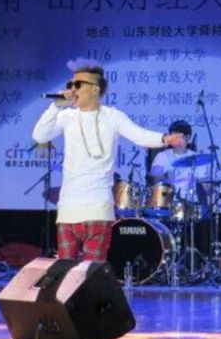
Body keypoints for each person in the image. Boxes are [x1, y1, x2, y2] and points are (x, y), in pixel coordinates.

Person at [32, 59, 185, 261]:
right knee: (66, 270)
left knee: (92, 271)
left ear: (95, 89)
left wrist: (165, 139)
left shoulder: (112, 116)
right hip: (68, 208)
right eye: (70, 84)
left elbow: (139, 135)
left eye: (78, 84)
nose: (72, 89)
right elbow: (40, 135)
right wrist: (55, 107)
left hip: (98, 206)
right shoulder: (66, 116)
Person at [149, 120, 210, 206]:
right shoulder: (162, 156)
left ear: (187, 137)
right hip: (166, 202)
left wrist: (207, 186)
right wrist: (165, 177)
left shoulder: (197, 159)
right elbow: (155, 177)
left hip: (191, 203)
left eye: (176, 136)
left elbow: (205, 187)